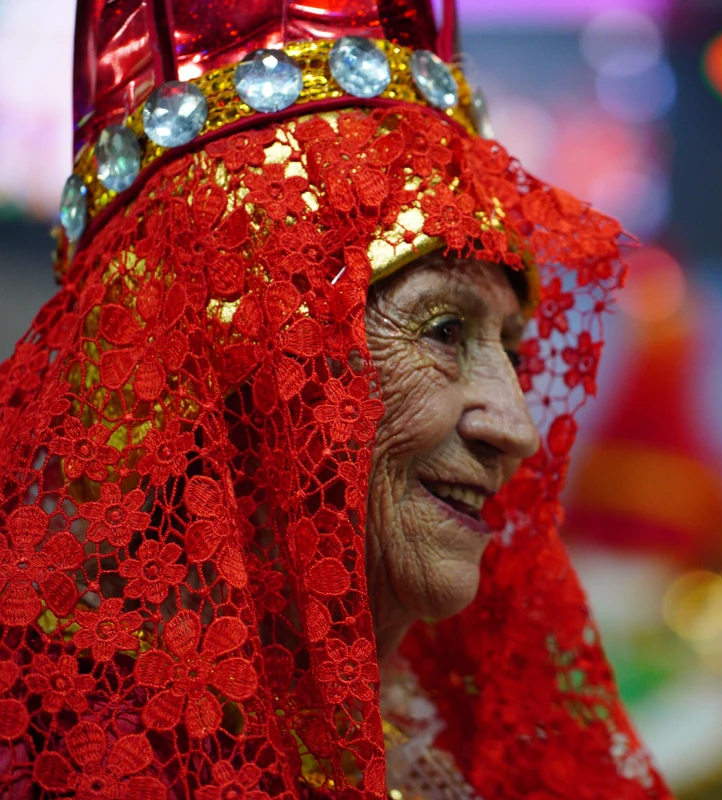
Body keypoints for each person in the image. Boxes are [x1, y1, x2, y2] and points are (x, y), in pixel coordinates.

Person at [0, 2, 672, 798]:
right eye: (444, 330)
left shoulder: (449, 763)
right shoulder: (73, 763)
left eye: (516, 355)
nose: (517, 430)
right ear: (236, 369)